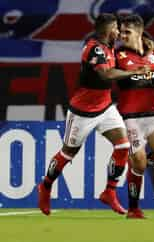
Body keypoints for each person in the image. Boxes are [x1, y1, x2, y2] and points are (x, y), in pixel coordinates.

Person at [37, 13, 147, 216]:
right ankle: (45, 186)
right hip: (83, 111)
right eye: (116, 27)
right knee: (68, 153)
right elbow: (106, 74)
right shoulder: (93, 48)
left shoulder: (111, 46)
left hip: (105, 106)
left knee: (123, 146)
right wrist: (132, 72)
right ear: (106, 29)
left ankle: (109, 192)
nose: (118, 32)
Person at [115, 14, 154, 219]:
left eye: (127, 32)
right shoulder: (118, 55)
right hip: (130, 118)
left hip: (152, 116)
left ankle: (133, 160)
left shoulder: (153, 53)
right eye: (121, 31)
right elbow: (104, 74)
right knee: (139, 163)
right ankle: (133, 209)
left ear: (139, 32)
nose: (122, 35)